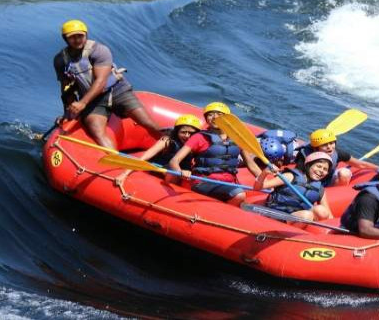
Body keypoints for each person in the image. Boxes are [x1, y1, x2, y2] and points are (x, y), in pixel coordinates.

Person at [53, 19, 162, 148]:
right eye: (72, 37)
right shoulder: (61, 60)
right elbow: (66, 89)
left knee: (146, 122)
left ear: (86, 35)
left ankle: (172, 147)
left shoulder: (99, 50)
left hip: (117, 91)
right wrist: (68, 112)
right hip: (94, 101)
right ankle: (116, 162)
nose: (77, 40)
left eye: (80, 36)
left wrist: (82, 103)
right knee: (97, 132)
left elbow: (101, 81)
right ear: (65, 38)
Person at [167, 102, 254, 206]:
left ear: (228, 119)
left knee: (237, 192)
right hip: (203, 182)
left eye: (219, 114)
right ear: (206, 118)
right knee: (239, 194)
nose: (214, 117)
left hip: (227, 184)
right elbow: (174, 161)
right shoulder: (199, 137)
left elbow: (251, 164)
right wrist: (180, 172)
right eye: (210, 114)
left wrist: (265, 180)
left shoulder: (237, 139)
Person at [253, 151, 333, 226]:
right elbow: (257, 187)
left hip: (294, 218)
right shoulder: (290, 176)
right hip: (275, 213)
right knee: (306, 216)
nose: (321, 171)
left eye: (325, 169)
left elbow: (329, 216)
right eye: (318, 166)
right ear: (308, 165)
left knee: (322, 211)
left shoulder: (320, 189)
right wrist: (264, 173)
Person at [295, 128, 376, 187]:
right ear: (316, 148)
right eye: (324, 145)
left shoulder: (337, 153)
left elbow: (360, 164)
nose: (329, 147)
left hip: (327, 182)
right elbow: (298, 175)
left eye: (331, 143)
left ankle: (333, 195)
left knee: (345, 173)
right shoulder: (304, 155)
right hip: (309, 182)